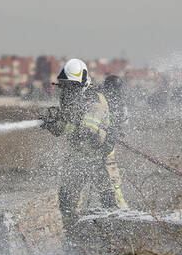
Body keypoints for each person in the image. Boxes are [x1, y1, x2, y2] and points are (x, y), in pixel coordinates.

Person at [41, 59, 128, 234]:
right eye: (63, 86)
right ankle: (73, 238)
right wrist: (53, 118)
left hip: (100, 162)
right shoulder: (71, 100)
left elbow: (87, 132)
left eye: (71, 86)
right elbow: (68, 121)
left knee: (112, 203)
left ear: (82, 84)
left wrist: (58, 125)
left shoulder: (95, 101)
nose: (66, 91)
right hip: (76, 160)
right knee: (66, 202)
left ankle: (125, 238)